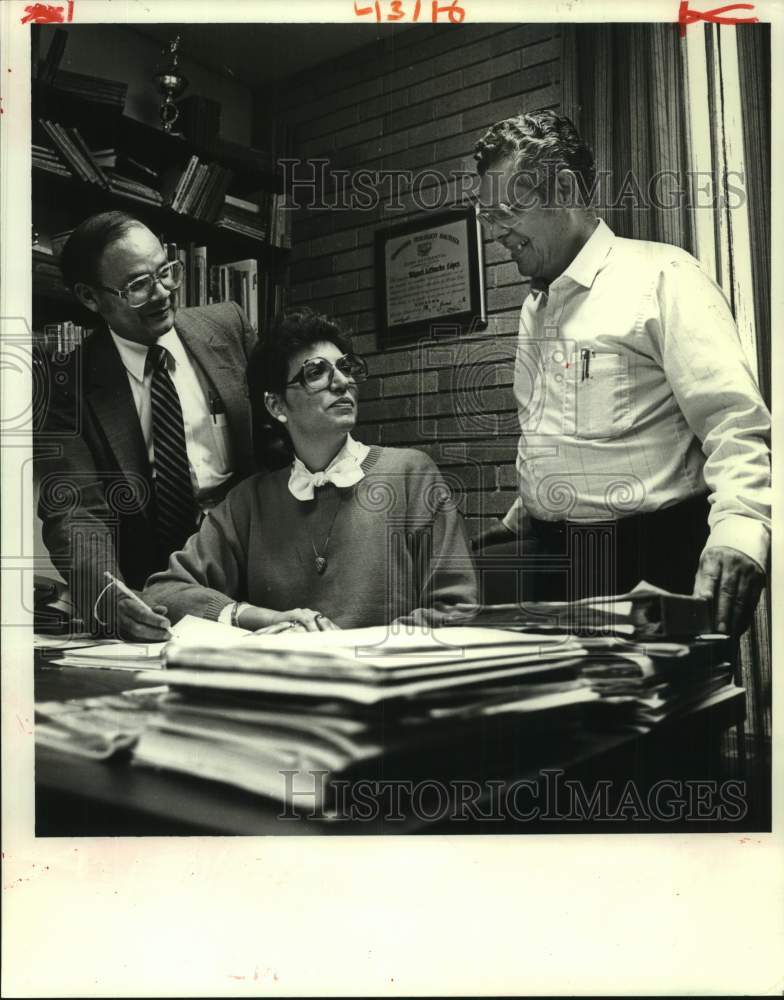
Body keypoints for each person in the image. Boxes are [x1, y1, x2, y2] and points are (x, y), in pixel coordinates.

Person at [472, 111, 770, 636]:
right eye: (486, 215)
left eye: (506, 210)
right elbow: (558, 435)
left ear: (564, 187)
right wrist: (518, 519)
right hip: (557, 562)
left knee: (657, 716)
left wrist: (739, 532)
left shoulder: (664, 276)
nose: (495, 231)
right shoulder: (534, 309)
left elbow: (734, 424)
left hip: (652, 563)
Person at [141, 308, 477, 635]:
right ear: (276, 406)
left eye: (345, 368)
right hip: (289, 685)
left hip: (387, 682)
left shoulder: (410, 475)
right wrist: (258, 617)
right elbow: (163, 593)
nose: (343, 381)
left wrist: (347, 650)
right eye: (316, 372)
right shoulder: (249, 502)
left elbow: (456, 607)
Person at [34, 211, 257, 637]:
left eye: (166, 272)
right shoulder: (67, 388)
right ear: (89, 297)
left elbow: (280, 444)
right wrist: (106, 595)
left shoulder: (229, 329)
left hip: (258, 584)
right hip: (155, 603)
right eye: (138, 285)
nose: (163, 294)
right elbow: (75, 510)